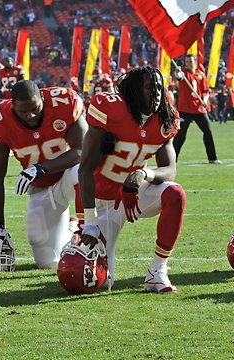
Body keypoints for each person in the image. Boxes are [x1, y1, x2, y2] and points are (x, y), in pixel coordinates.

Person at [78, 66, 186, 293]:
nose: (157, 93)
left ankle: (157, 271)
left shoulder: (165, 117)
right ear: (135, 91)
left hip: (132, 195)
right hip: (102, 202)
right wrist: (90, 222)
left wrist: (145, 173)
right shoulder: (110, 109)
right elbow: (85, 168)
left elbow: (170, 168)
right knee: (99, 282)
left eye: (159, 87)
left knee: (174, 194)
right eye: (149, 87)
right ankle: (76, 230)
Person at [0, 80, 86, 269]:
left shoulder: (64, 102)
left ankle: (87, 230)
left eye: (35, 108)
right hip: (43, 187)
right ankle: (71, 229)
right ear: (13, 105)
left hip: (69, 176)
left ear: (43, 99)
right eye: (23, 111)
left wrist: (41, 168)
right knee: (47, 262)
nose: (30, 115)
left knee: (82, 171)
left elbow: (83, 151)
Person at [172, 54, 222, 164]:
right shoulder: (184, 73)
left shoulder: (201, 75)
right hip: (185, 109)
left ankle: (212, 158)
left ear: (195, 62)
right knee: (181, 135)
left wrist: (205, 100)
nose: (189, 63)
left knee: (208, 131)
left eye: (191, 61)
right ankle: (172, 159)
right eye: (187, 62)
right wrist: (177, 72)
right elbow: (179, 76)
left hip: (199, 109)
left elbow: (205, 91)